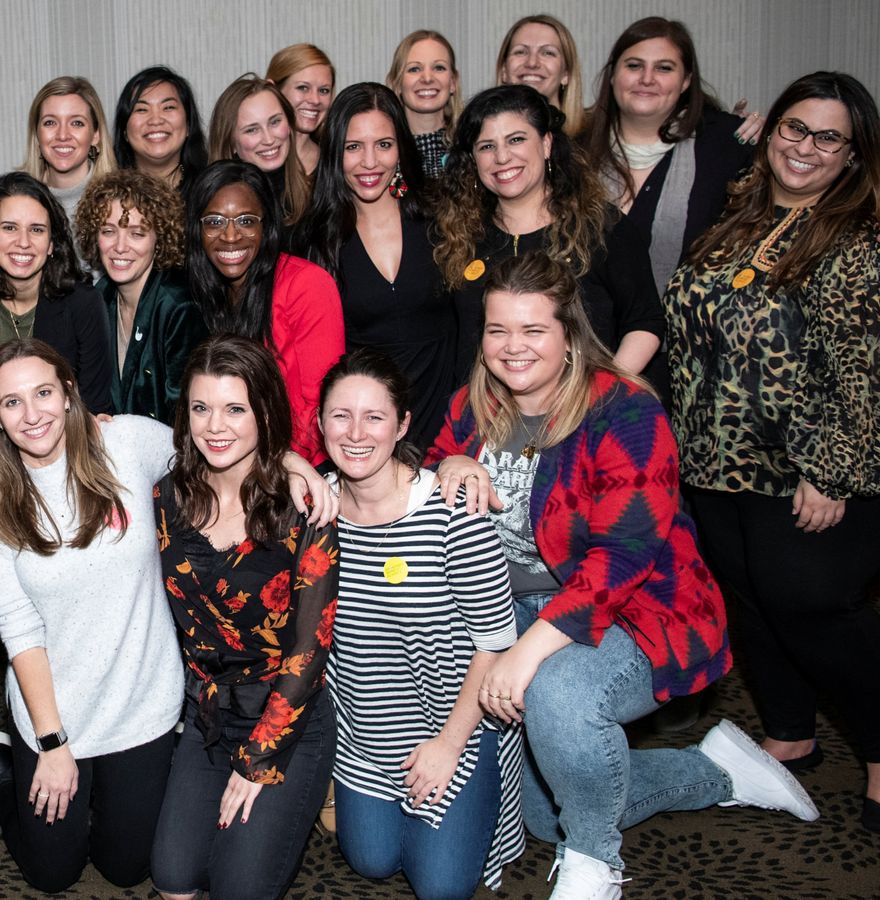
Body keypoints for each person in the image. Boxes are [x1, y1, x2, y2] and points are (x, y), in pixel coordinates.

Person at [429, 252, 820, 896]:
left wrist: (525, 652)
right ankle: (716, 772)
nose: (513, 347)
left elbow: (622, 558)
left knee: (558, 696)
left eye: (533, 330)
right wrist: (446, 464)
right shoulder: (473, 407)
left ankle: (595, 864)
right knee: (541, 816)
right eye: (498, 330)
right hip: (512, 610)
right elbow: (429, 475)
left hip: (638, 613)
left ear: (569, 334)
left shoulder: (625, 411)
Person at [0, 339, 332, 895]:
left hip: (143, 703)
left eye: (43, 393)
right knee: (52, 874)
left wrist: (292, 460)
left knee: (128, 868)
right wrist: (52, 743)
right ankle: (4, 779)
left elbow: (216, 444)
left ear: (69, 394)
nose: (32, 413)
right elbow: (16, 626)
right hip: (54, 708)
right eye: (11, 402)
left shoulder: (127, 442)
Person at [667, 71, 880, 833]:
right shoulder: (742, 213)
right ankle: (790, 732)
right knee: (752, 602)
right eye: (795, 127)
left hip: (803, 467)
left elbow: (863, 372)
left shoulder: (855, 240)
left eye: (829, 138)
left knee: (812, 607)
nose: (806, 147)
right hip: (716, 460)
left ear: (852, 155)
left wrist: (831, 471)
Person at [319, 348, 520, 898]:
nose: (355, 433)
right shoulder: (316, 509)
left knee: (439, 888)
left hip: (452, 728)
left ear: (403, 424)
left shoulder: (451, 510)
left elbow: (495, 643)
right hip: (363, 737)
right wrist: (292, 464)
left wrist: (449, 745)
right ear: (320, 423)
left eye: (374, 417)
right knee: (372, 860)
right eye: (340, 416)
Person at [151, 336, 336, 900]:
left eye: (235, 409)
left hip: (285, 717)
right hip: (207, 717)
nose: (215, 426)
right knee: (173, 879)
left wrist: (258, 758)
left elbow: (309, 650)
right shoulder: (166, 496)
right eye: (201, 408)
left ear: (264, 413)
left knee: (238, 887)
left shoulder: (302, 507)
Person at [433, 85, 663, 387]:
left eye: (516, 139)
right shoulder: (459, 237)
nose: (502, 157)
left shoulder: (600, 227)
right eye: (486, 146)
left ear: (546, 144)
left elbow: (644, 322)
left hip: (587, 409)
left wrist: (604, 397)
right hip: (485, 412)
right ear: (473, 159)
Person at [291, 82, 454, 451]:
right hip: (365, 439)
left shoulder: (441, 219)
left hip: (448, 430)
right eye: (353, 147)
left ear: (401, 148)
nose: (369, 162)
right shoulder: (314, 240)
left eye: (383, 144)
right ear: (335, 153)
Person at [579, 18, 755, 300]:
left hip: (687, 324)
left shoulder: (726, 144)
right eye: (634, 66)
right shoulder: (575, 149)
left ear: (686, 80)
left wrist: (777, 135)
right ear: (613, 75)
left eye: (664, 68)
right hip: (587, 323)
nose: (647, 78)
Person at [185, 160, 344, 463]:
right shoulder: (198, 294)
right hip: (230, 461)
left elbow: (321, 405)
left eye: (246, 221)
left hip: (297, 466)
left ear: (266, 226)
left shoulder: (306, 285)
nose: (230, 236)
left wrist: (277, 465)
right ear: (198, 229)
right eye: (215, 222)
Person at [0, 172, 112, 413]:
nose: (23, 242)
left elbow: (96, 408)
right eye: (9, 227)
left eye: (36, 230)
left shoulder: (83, 303)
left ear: (52, 243)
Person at [72, 168, 204, 422]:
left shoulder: (179, 307)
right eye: (108, 231)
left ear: (160, 239)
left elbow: (187, 414)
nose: (120, 247)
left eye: (137, 233)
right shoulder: (97, 298)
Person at [208, 75, 310, 225]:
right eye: (252, 130)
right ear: (231, 143)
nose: (269, 140)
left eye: (275, 122)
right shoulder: (212, 209)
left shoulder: (316, 194)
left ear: (289, 124)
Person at [21, 76, 116, 229]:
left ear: (95, 135)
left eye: (76, 123)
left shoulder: (121, 203)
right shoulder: (16, 201)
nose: (63, 135)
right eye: (50, 122)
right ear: (37, 135)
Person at [113, 66, 208, 199]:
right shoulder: (109, 196)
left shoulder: (211, 192)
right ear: (124, 130)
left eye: (168, 107)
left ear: (188, 124)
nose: (156, 120)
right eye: (141, 109)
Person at [386, 30, 463, 179]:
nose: (427, 78)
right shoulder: (385, 152)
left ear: (453, 82)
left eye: (439, 68)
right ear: (397, 84)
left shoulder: (471, 146)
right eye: (414, 69)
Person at [494, 14, 586, 137]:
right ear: (504, 70)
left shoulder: (595, 139)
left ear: (566, 73)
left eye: (548, 53)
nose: (532, 63)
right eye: (520, 52)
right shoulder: (479, 134)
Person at [265, 43, 335, 177]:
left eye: (323, 90)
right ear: (273, 89)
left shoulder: (337, 163)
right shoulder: (250, 163)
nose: (315, 100)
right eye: (303, 88)